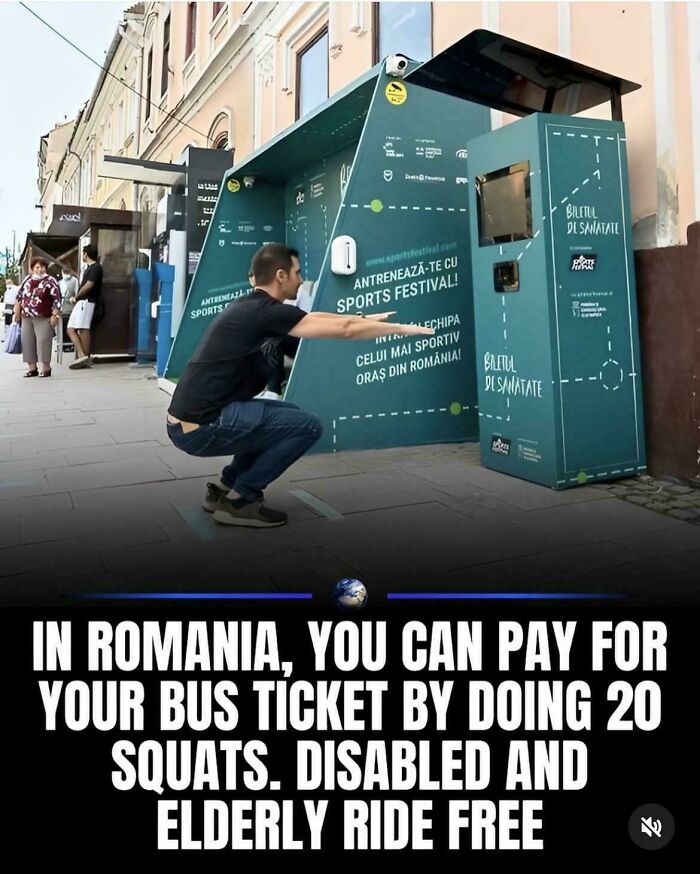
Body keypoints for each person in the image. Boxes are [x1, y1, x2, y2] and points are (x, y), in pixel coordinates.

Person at [167, 243, 434, 528]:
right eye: (297, 272)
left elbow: (315, 319)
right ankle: (240, 501)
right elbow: (343, 330)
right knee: (307, 426)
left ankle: (223, 488)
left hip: (191, 421)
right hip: (203, 425)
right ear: (281, 276)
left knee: (286, 417)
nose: (301, 278)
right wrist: (399, 329)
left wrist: (364, 319)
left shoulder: (253, 306)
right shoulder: (263, 312)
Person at [13, 258, 62, 378]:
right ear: (32, 268)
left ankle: (46, 368)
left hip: (43, 316)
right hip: (27, 316)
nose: (40, 270)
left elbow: (57, 298)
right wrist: (17, 312)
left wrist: (55, 315)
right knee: (27, 341)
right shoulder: (27, 279)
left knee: (43, 341)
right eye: (37, 267)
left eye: (42, 267)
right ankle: (32, 368)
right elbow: (19, 296)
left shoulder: (50, 281)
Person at [67, 244, 103, 369]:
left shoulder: (96, 268)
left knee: (83, 329)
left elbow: (89, 285)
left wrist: (76, 296)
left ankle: (85, 357)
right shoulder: (88, 268)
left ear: (86, 254)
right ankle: (81, 355)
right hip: (81, 302)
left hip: (87, 301)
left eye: (83, 253)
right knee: (70, 328)